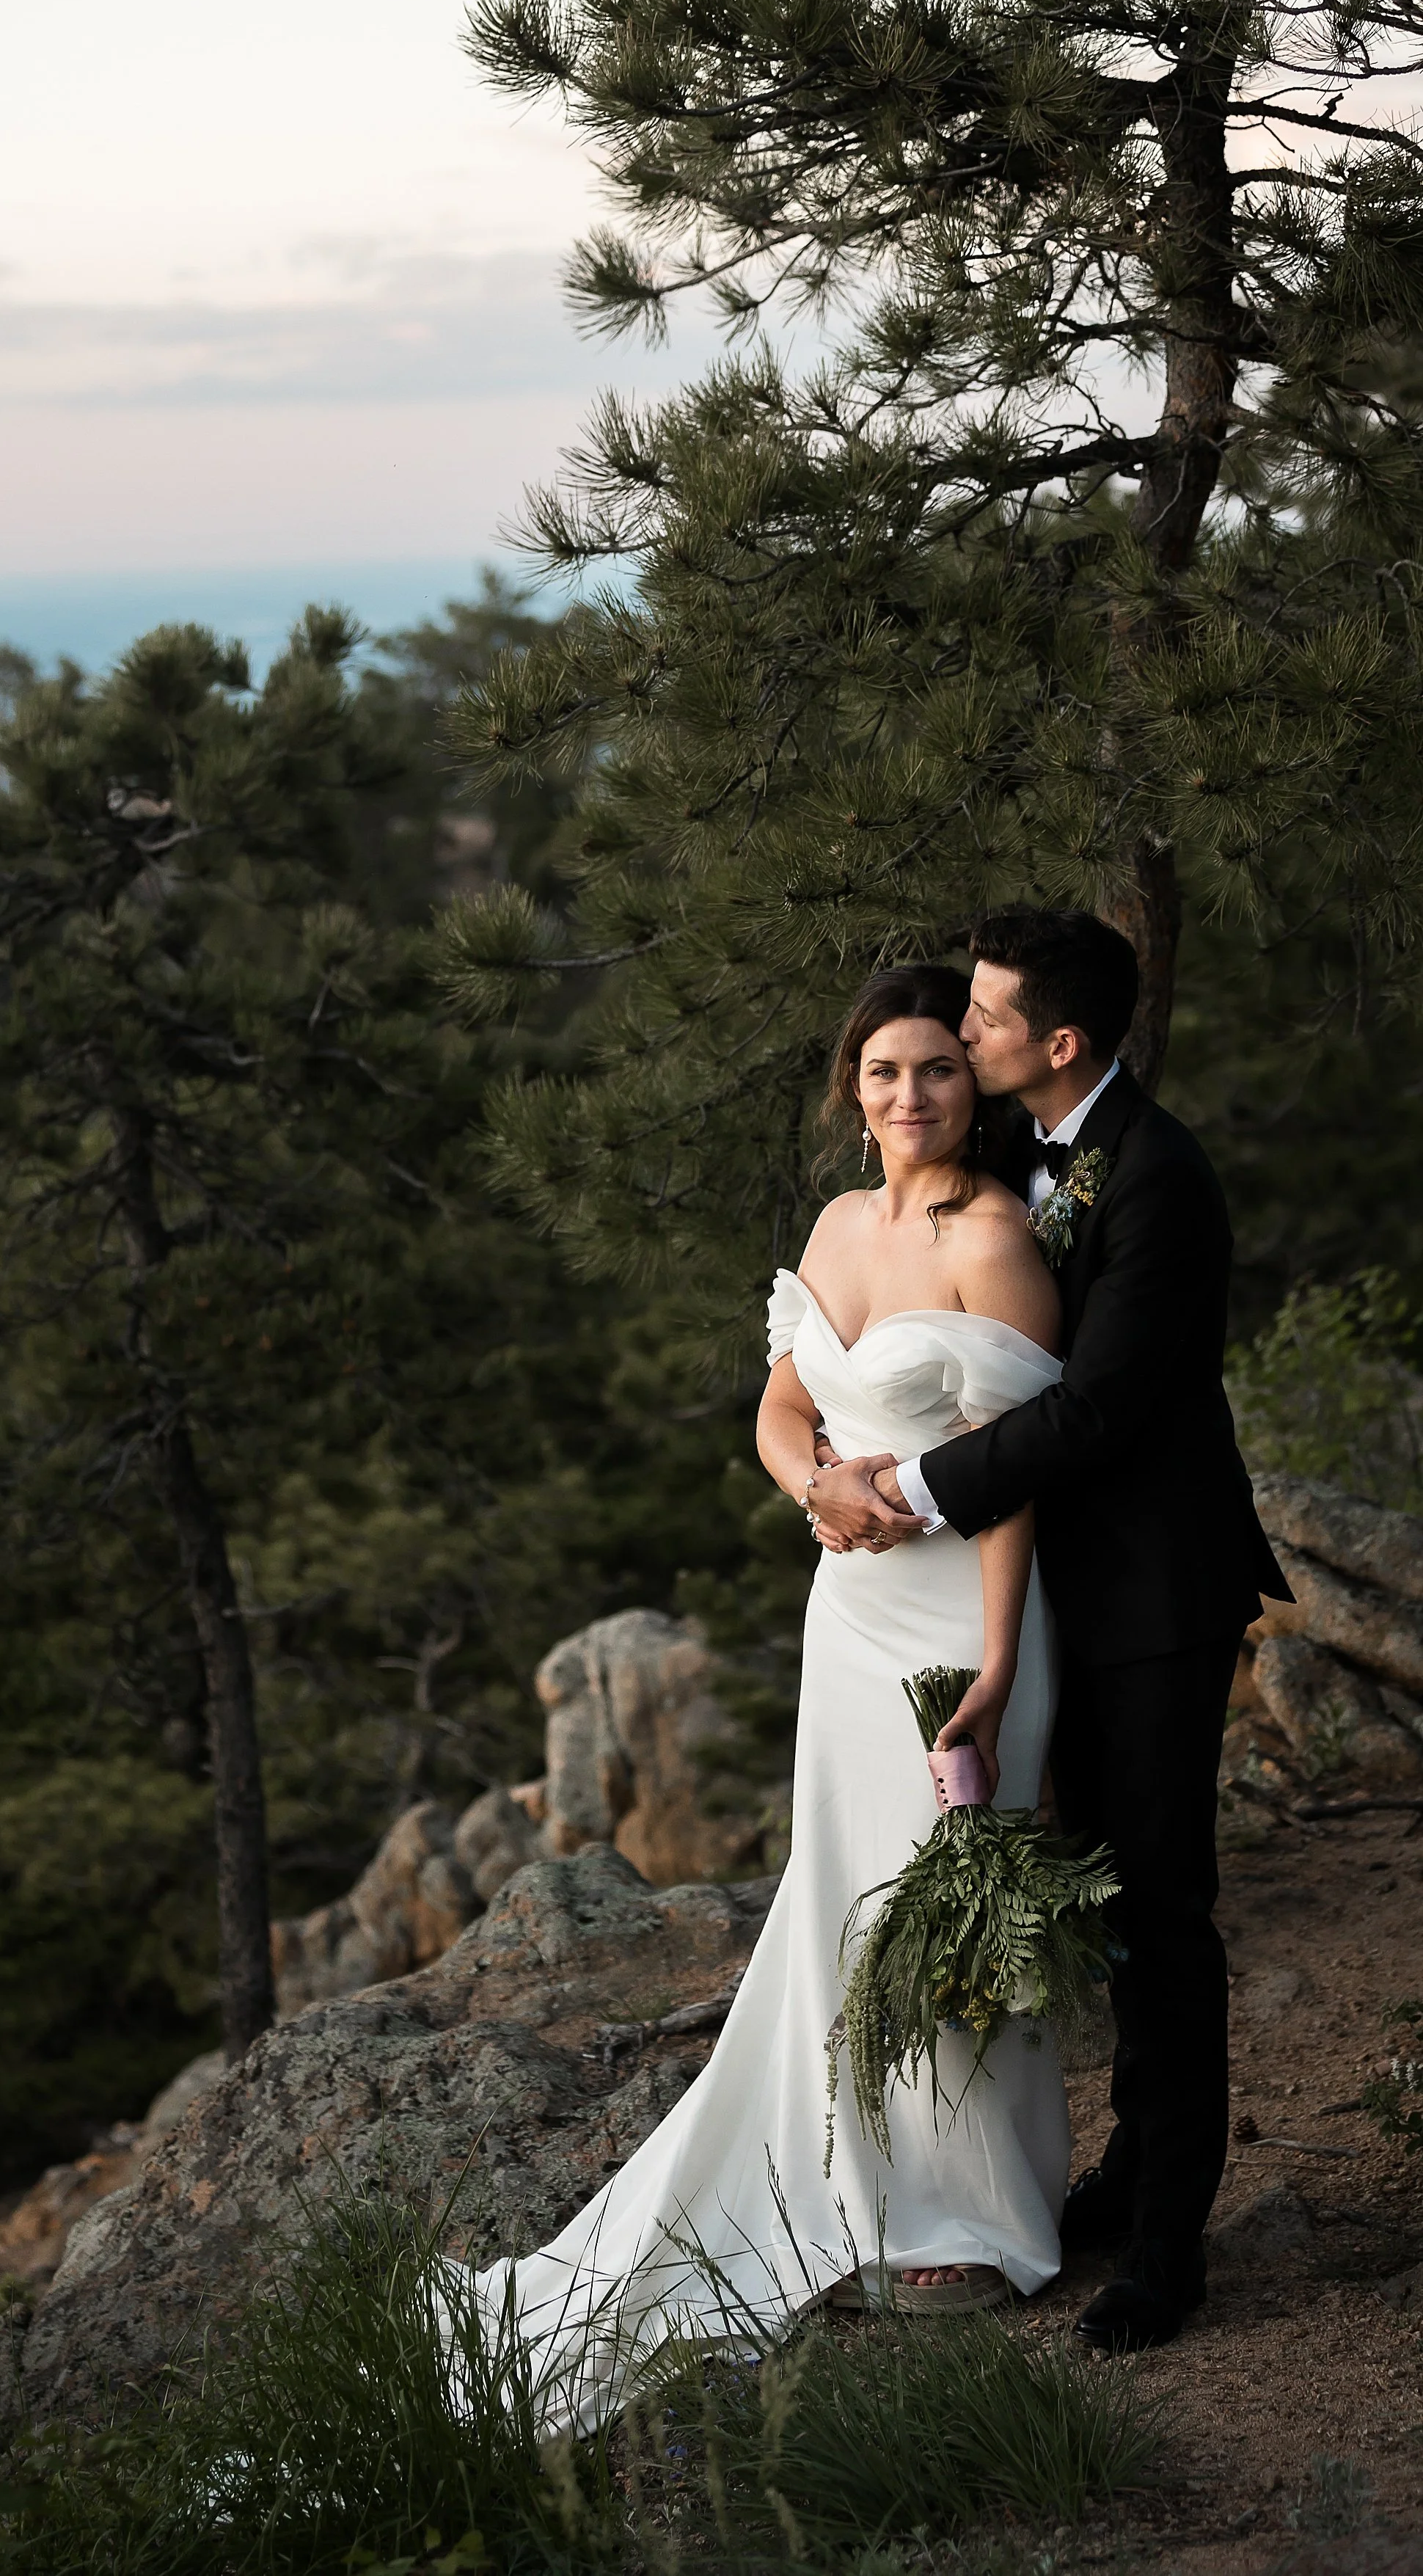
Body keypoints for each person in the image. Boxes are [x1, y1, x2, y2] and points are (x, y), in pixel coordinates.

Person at [453, 961, 1074, 2429]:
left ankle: (961, 2209)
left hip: (961, 1619)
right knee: (851, 1888)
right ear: (852, 1090)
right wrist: (816, 1489)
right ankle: (858, 2177)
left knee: (947, 1891)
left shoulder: (994, 1238)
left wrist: (997, 1671)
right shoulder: (838, 1225)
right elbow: (784, 1405)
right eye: (884, 1071)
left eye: (937, 1067)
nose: (912, 1094)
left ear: (971, 1082)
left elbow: (1017, 1483)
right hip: (846, 1614)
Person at [808, 909, 1290, 2351]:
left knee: (1161, 1907)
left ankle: (1166, 2249)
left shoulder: (1158, 1175)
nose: (961, 1036)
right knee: (1091, 1893)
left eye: (983, 1020)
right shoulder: (1026, 1149)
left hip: (1151, 1594)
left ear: (1056, 1043)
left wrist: (907, 1487)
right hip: (1040, 1588)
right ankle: (1123, 2170)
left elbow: (1095, 1411)